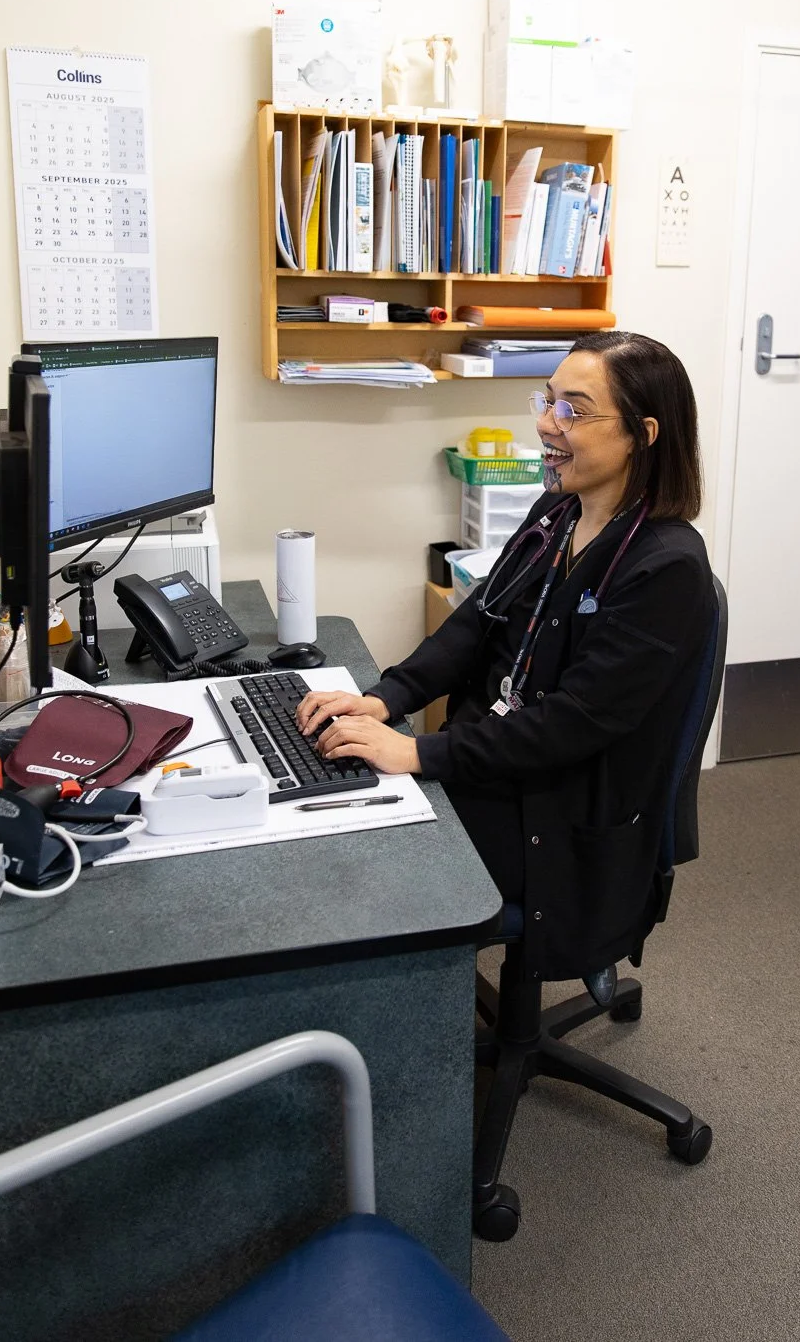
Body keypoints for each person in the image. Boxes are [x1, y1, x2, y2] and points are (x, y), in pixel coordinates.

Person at [296, 333, 715, 987]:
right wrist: (387, 697)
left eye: (574, 410)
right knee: (339, 804)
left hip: (558, 820)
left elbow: (571, 726)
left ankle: (399, 1050)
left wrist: (416, 754)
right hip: (499, 764)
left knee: (373, 851)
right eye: (547, 402)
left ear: (644, 433)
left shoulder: (666, 569)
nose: (548, 424)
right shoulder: (558, 511)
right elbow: (476, 621)